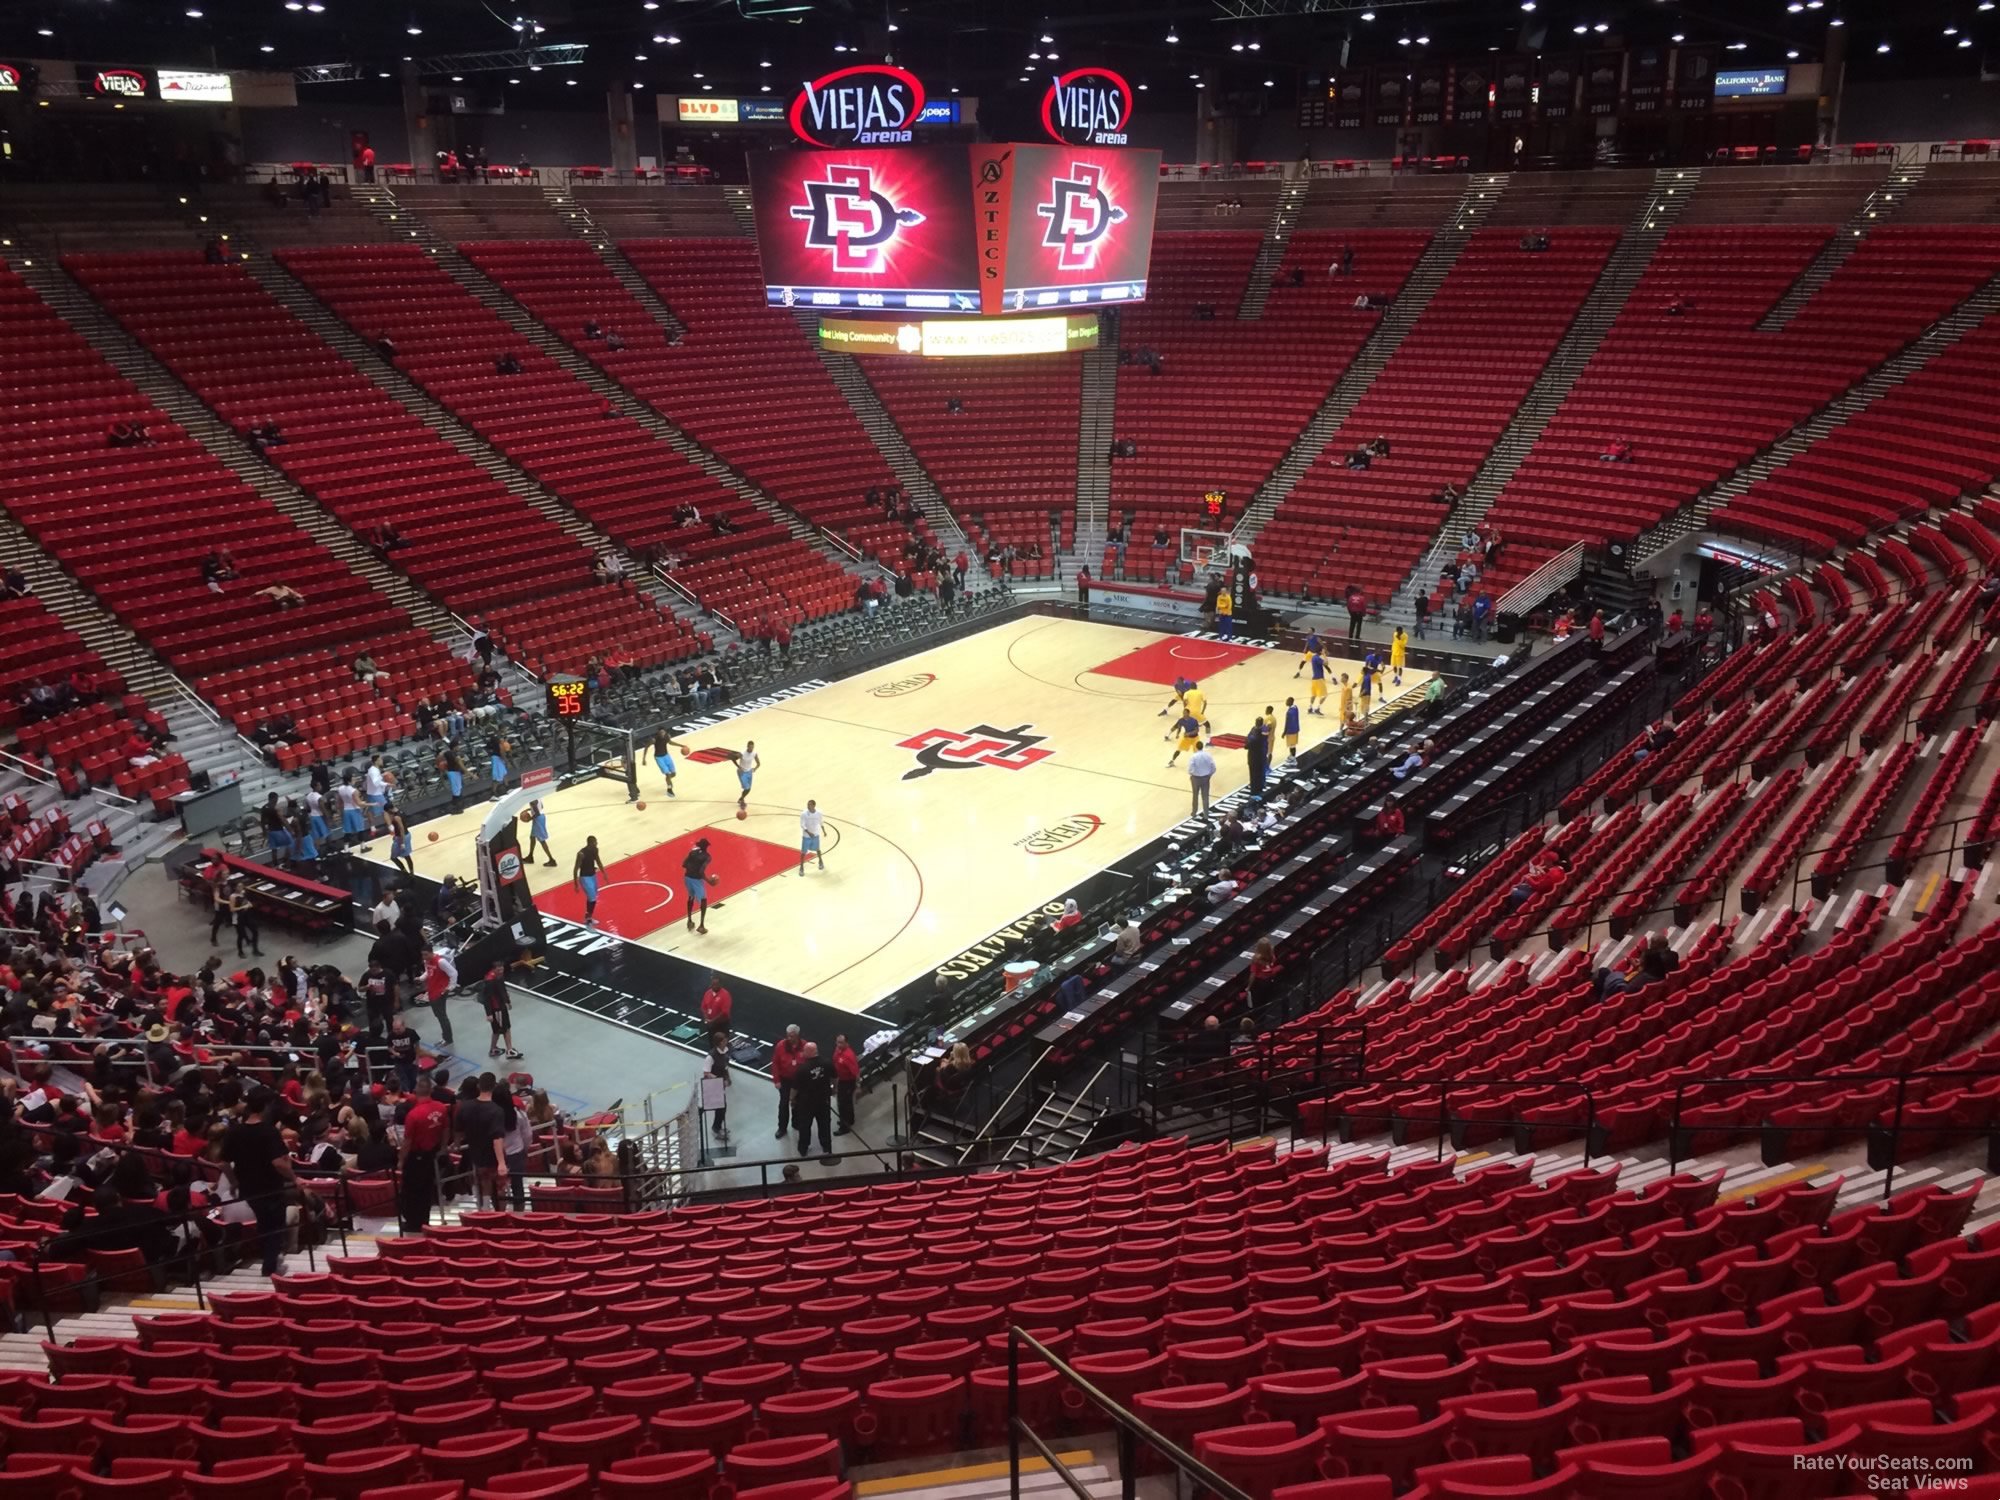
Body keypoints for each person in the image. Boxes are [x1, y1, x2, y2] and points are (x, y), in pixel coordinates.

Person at [224, 1088, 314, 1276]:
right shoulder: (268, 1131)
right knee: (274, 1228)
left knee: (265, 1226)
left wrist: (234, 1181)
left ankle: (270, 1262)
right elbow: (278, 1163)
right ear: (266, 1106)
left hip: (248, 1187)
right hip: (269, 1188)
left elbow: (223, 1162)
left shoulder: (235, 1131)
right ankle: (270, 1268)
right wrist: (294, 1177)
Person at [792, 1042, 834, 1158]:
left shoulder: (802, 1069)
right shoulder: (827, 1063)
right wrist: (834, 1089)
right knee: (824, 1125)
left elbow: (795, 1088)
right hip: (823, 1101)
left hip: (806, 1103)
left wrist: (792, 1099)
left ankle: (803, 1149)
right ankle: (826, 1146)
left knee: (804, 1126)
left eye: (804, 1051)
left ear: (809, 1052)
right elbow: (835, 1077)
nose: (802, 1053)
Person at [770, 1025, 807, 1138]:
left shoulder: (805, 1046)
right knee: (783, 1105)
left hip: (799, 1081)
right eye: (788, 1036)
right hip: (785, 1081)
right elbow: (775, 1063)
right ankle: (782, 1128)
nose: (789, 1038)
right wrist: (776, 1080)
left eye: (792, 1036)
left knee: (798, 1103)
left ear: (797, 1035)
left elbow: (809, 1063)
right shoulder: (781, 1046)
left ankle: (796, 1123)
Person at [482, 960, 522, 1060]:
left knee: (499, 1029)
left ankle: (494, 1049)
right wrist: (489, 1013)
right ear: (494, 969)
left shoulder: (499, 976)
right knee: (504, 1029)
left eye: (502, 968)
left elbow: (502, 990)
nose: (501, 971)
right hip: (497, 1009)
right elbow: (487, 998)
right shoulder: (490, 981)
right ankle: (509, 1050)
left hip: (501, 1006)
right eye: (499, 969)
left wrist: (507, 1001)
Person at [422, 944, 457, 1046]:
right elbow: (428, 972)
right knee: (438, 1015)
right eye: (423, 955)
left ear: (431, 952)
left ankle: (448, 1038)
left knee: (442, 1016)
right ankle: (445, 1037)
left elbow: (453, 973)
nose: (424, 957)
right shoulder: (427, 961)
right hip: (432, 990)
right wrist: (421, 978)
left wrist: (450, 987)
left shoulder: (441, 962)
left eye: (426, 954)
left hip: (440, 992)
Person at [683, 836, 713, 934]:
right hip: (696, 879)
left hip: (687, 877)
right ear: (707, 847)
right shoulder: (707, 857)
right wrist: (709, 881)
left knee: (691, 897)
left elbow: (683, 864)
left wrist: (691, 867)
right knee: (703, 901)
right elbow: (701, 871)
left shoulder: (692, 852)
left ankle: (689, 921)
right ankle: (701, 926)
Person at [572, 835, 604, 927]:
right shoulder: (581, 854)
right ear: (590, 843)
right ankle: (588, 917)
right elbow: (575, 869)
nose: (596, 843)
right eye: (595, 842)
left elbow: (598, 861)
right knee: (592, 898)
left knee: (592, 897)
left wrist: (604, 873)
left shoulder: (595, 850)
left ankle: (588, 916)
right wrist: (576, 884)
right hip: (585, 877)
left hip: (593, 875)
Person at [704, 1037, 731, 1144]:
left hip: (721, 1083)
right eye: (724, 1041)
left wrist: (728, 1079)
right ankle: (716, 1128)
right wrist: (719, 1080)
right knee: (720, 1107)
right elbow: (706, 1073)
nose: (726, 1042)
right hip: (714, 1084)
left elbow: (725, 1067)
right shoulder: (711, 1057)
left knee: (722, 1108)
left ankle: (718, 1126)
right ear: (719, 1042)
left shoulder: (725, 1052)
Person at [832, 1034, 860, 1135]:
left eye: (841, 1043)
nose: (838, 1044)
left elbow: (855, 1072)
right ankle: (850, 1120)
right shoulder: (838, 1051)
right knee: (847, 1103)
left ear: (846, 1043)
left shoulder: (848, 1055)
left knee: (843, 1104)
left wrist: (857, 1086)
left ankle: (844, 1127)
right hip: (842, 1080)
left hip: (847, 1082)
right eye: (837, 1042)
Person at [648, 729, 681, 798]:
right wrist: (643, 758)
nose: (662, 733)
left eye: (663, 732)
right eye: (661, 732)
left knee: (674, 774)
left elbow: (671, 742)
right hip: (659, 758)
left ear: (665, 732)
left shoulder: (667, 737)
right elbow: (646, 747)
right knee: (668, 774)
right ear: (658, 733)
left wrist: (681, 745)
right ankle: (669, 789)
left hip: (666, 756)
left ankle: (667, 779)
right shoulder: (654, 740)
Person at [701, 971, 732, 1043]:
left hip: (721, 1025)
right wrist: (706, 1018)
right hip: (711, 1024)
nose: (713, 986)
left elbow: (724, 1012)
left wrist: (712, 1021)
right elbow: (703, 1006)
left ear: (720, 984)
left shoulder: (725, 995)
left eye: (715, 984)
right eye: (712, 984)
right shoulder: (708, 993)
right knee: (712, 1042)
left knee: (723, 1043)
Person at [798, 799, 825, 876]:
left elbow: (821, 822)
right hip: (806, 836)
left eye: (810, 805)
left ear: (814, 805)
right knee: (803, 852)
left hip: (815, 835)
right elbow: (802, 825)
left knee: (818, 849)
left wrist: (824, 831)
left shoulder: (819, 813)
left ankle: (820, 861)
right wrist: (808, 832)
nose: (808, 806)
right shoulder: (804, 814)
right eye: (807, 804)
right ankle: (801, 867)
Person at [526, 800, 555, 868]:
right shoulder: (538, 797)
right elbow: (541, 806)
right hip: (541, 817)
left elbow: (537, 813)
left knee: (542, 841)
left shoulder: (532, 800)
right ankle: (530, 856)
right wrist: (529, 809)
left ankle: (552, 860)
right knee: (532, 837)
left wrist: (530, 819)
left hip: (538, 819)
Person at [387, 806, 414, 877]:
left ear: (389, 810)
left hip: (402, 837)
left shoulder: (396, 817)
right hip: (404, 835)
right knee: (401, 857)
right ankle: (409, 873)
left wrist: (402, 842)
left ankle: (408, 873)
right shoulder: (401, 811)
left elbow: (401, 829)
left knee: (404, 856)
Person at [735, 741, 759, 811]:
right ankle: (742, 801)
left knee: (749, 789)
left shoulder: (754, 753)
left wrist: (755, 768)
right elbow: (733, 758)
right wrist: (738, 766)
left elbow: (758, 763)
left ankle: (741, 799)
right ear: (747, 747)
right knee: (747, 788)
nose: (751, 748)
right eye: (750, 747)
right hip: (742, 772)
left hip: (749, 772)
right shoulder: (742, 753)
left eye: (752, 747)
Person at [1281, 697, 1301, 762]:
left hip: (1291, 731)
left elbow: (1287, 723)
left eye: (1287, 701)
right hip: (1296, 729)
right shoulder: (1295, 707)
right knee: (1293, 745)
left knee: (1292, 745)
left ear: (1290, 702)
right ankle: (1292, 756)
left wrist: (1284, 732)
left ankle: (1293, 758)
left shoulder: (1289, 712)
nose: (1286, 702)